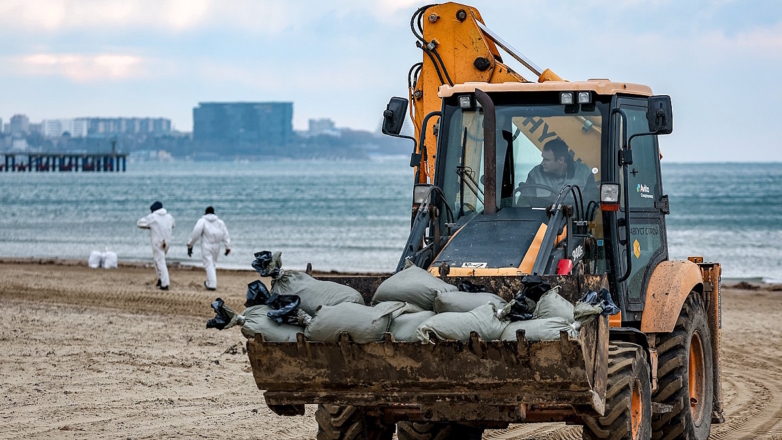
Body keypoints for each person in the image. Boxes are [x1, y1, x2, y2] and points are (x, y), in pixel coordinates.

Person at [523, 138, 597, 202]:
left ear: (561, 160)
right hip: (542, 218)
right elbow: (523, 203)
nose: (542, 163)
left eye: (546, 160)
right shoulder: (535, 174)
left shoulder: (584, 173)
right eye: (543, 158)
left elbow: (592, 204)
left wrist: (575, 215)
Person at [187, 206, 231, 291]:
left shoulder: (202, 221)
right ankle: (209, 282)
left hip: (206, 245)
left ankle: (212, 284)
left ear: (205, 213)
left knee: (208, 264)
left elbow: (195, 234)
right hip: (217, 246)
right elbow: (225, 234)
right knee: (212, 264)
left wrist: (190, 244)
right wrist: (227, 246)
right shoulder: (220, 222)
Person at [137, 201, 175, 290]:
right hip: (167, 242)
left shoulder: (152, 217)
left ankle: (165, 284)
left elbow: (139, 223)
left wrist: (149, 226)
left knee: (160, 262)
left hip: (158, 242)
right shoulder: (169, 217)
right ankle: (160, 279)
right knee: (158, 261)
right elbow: (173, 224)